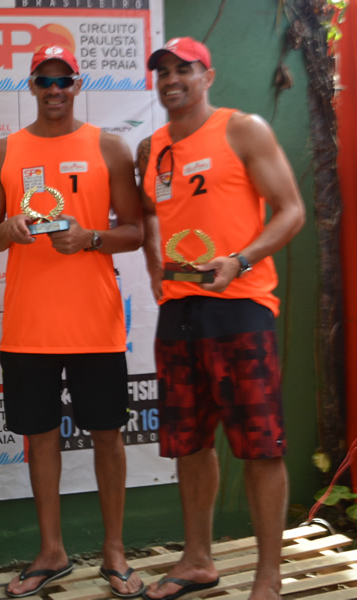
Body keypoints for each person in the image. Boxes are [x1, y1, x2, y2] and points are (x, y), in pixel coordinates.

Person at [136, 38, 305, 600]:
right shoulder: (153, 148)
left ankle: (268, 576)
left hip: (241, 309)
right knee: (188, 443)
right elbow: (151, 214)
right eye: (162, 71)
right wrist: (157, 270)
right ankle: (197, 561)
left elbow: (291, 210)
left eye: (183, 69)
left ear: (207, 76)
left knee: (261, 446)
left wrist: (240, 260)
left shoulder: (243, 129)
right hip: (178, 312)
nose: (171, 79)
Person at [0, 46, 144, 599]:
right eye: (44, 81)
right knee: (41, 439)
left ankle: (115, 552)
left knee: (108, 437)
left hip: (96, 325)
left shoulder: (109, 147)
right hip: (30, 328)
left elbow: (135, 232)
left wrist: (91, 238)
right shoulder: (3, 151)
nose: (54, 90)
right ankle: (51, 551)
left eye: (63, 80)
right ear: (31, 85)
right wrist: (11, 229)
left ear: (78, 84)